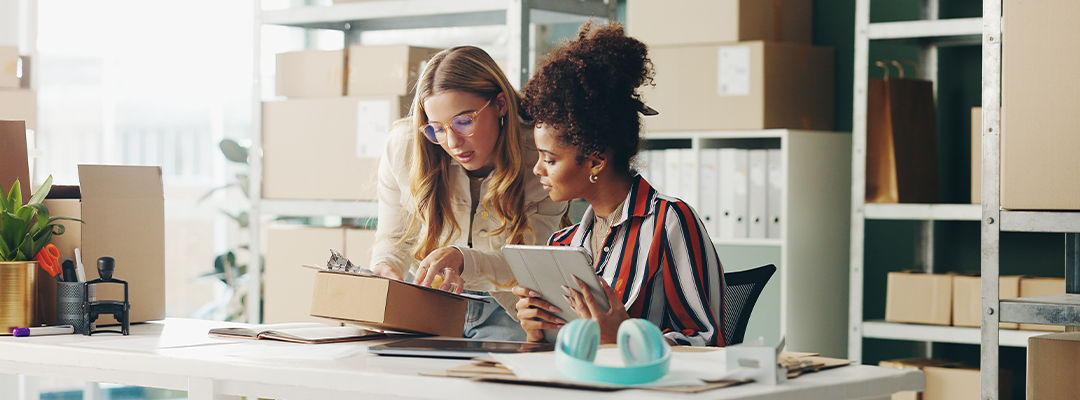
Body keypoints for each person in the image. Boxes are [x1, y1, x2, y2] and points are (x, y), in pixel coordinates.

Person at [512, 21, 727, 347]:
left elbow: (708, 342)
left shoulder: (669, 223)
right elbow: (561, 352)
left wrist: (625, 339)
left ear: (596, 161)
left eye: (550, 159)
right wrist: (536, 332)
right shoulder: (562, 245)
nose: (538, 168)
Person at [369, 46, 568, 341]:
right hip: (429, 297)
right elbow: (393, 238)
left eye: (464, 121)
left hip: (510, 308)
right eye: (437, 129)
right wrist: (386, 269)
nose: (452, 142)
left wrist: (463, 259)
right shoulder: (404, 147)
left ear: (500, 104)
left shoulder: (541, 156)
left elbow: (530, 264)